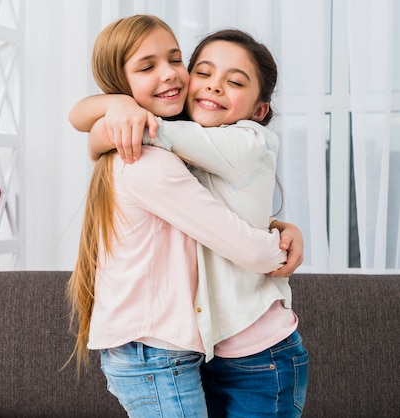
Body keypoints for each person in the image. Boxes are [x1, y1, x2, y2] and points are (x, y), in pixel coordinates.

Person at [66, 15, 303, 418]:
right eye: (147, 66)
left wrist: (281, 227)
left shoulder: (209, 142)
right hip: (161, 351)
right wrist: (277, 245)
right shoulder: (148, 160)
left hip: (236, 348)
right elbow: (252, 251)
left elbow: (217, 212)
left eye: (175, 60)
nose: (171, 75)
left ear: (260, 109)